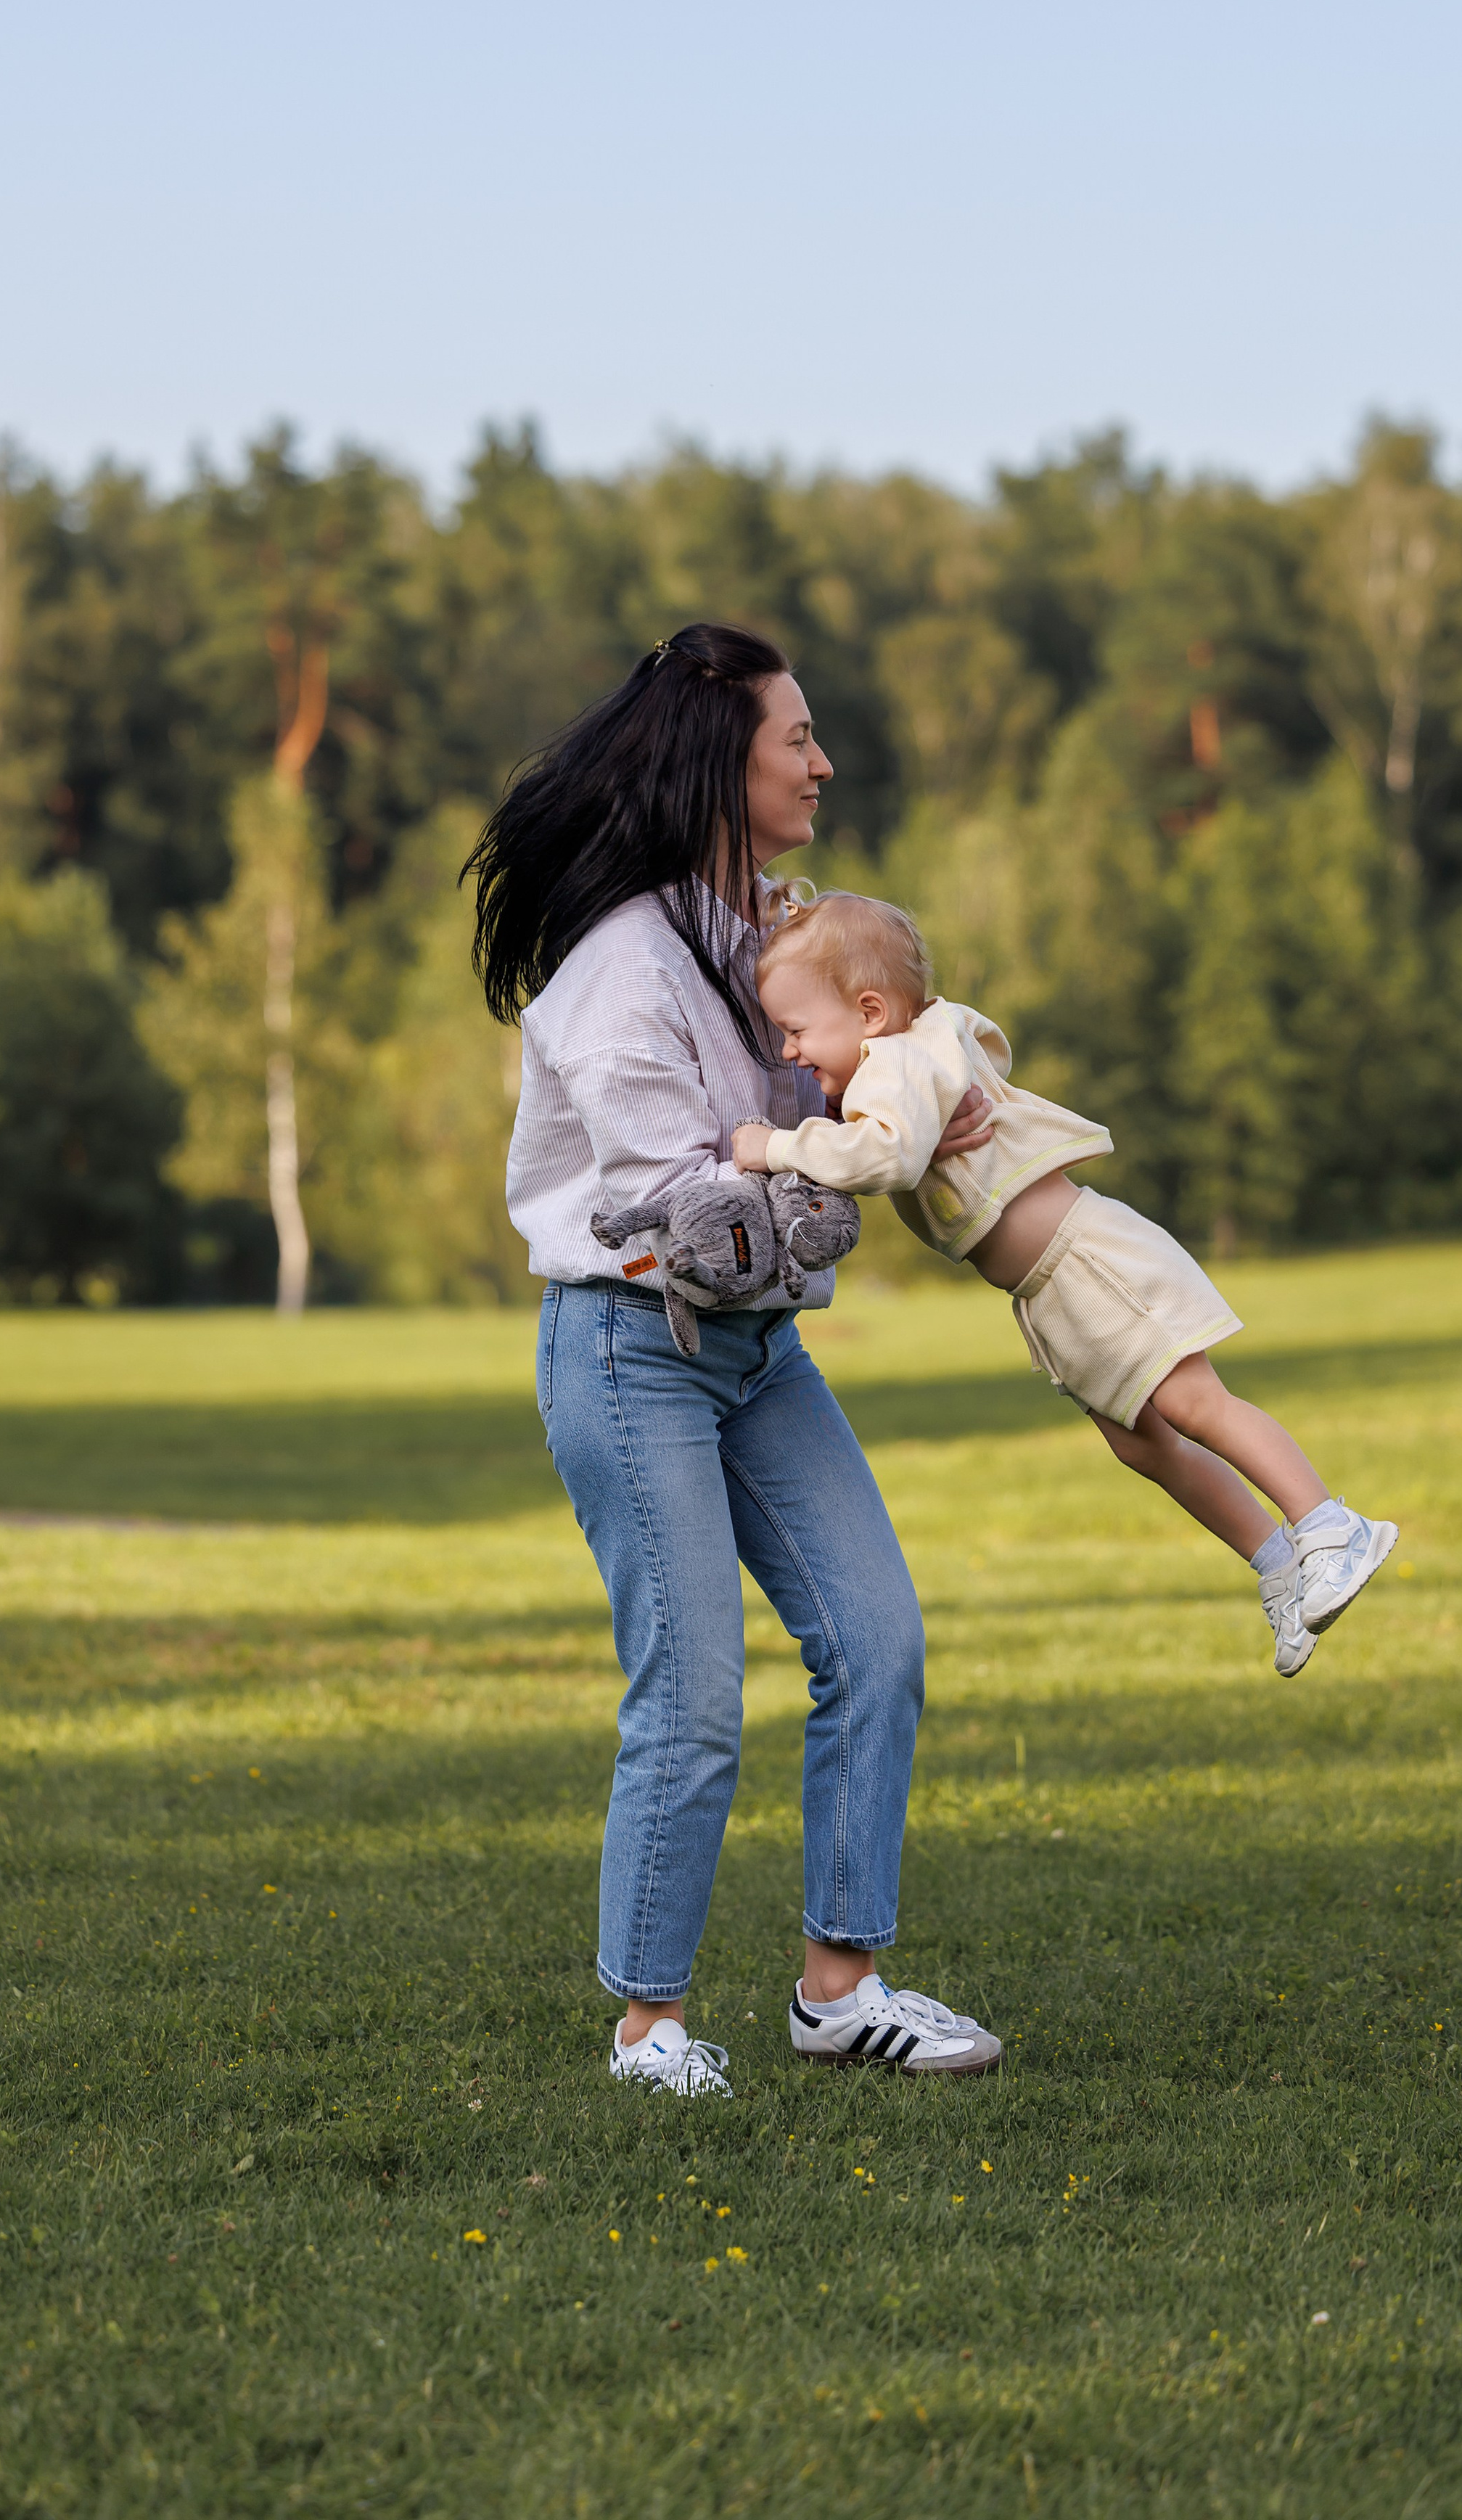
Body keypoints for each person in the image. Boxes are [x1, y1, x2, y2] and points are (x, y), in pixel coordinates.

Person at [467, 624, 1006, 2098]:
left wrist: (923, 1102)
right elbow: (693, 1224)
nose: (822, 762)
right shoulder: (622, 971)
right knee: (694, 1693)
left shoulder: (765, 934)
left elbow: (866, 1070)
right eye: (797, 740)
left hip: (757, 1360)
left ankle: (840, 1990)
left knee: (876, 1644)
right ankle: (646, 2027)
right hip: (632, 1350)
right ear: (725, 762)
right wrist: (838, 1180)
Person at [731, 890, 1399, 1678]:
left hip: (1087, 1261)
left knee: (1194, 1403)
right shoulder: (908, 1056)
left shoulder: (898, 1064)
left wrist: (775, 1146)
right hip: (1048, 1293)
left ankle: (1327, 1524)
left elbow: (886, 1160)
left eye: (797, 1030)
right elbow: (971, 1066)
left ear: (871, 1012)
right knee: (1141, 1446)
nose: (788, 1051)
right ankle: (1279, 1566)